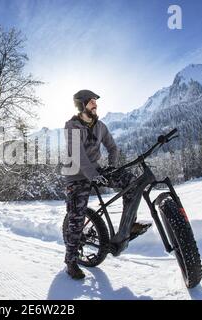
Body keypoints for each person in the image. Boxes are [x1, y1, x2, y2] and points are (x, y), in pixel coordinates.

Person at [62, 89, 151, 280]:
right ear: (81, 105)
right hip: (76, 176)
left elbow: (112, 147)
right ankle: (70, 261)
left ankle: (128, 224)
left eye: (95, 101)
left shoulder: (100, 126)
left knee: (131, 182)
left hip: (96, 171)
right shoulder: (71, 126)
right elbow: (77, 155)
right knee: (77, 218)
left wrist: (112, 166)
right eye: (91, 101)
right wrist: (92, 175)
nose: (95, 104)